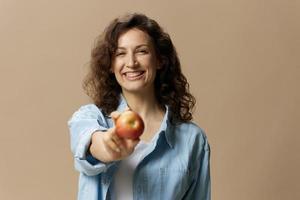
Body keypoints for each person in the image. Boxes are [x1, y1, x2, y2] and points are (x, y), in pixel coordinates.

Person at [68, 13, 211, 200]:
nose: (131, 63)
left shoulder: (192, 139)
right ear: (110, 65)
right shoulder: (89, 117)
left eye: (142, 51)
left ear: (159, 60)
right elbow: (95, 145)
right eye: (120, 53)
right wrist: (108, 147)